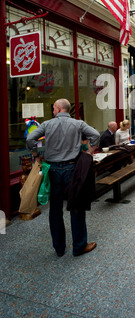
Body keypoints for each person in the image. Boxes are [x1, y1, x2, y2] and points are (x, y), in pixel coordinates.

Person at [26, 98, 100, 257]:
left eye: (53, 108)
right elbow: (95, 135)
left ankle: (59, 248)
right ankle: (79, 246)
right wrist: (90, 152)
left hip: (52, 170)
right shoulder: (78, 124)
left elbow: (30, 139)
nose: (53, 111)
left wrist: (36, 154)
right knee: (76, 206)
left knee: (55, 209)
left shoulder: (47, 124)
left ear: (59, 109)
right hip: (72, 169)